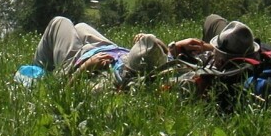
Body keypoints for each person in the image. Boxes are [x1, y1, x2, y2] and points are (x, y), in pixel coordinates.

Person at [28, 16, 168, 88]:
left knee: (59, 22)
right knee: (80, 26)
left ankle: (36, 72)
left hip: (79, 61)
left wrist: (85, 67)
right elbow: (165, 53)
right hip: (110, 50)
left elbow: (67, 90)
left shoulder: (115, 85)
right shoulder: (160, 68)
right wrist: (147, 40)